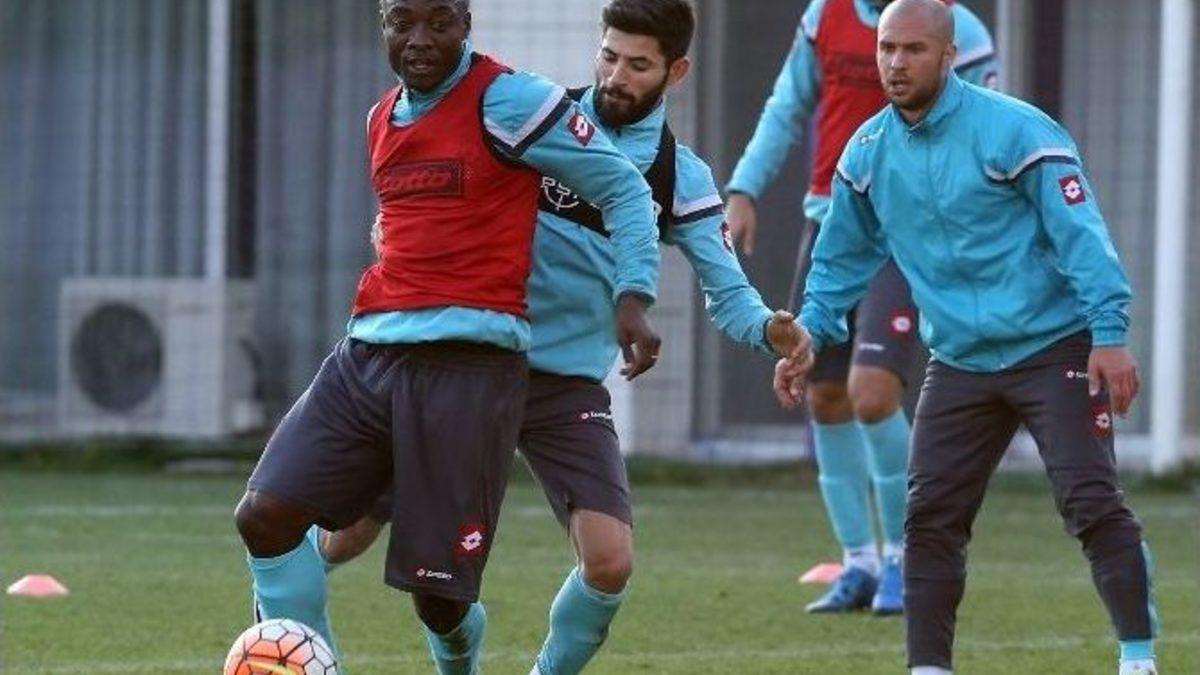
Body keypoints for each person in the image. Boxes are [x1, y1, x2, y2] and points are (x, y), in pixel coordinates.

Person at [316, 1, 809, 673]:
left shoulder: (678, 176)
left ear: (676, 72)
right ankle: (292, 612)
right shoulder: (539, 120)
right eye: (609, 56)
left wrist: (770, 329)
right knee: (345, 536)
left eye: (638, 66)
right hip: (466, 361)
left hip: (561, 385)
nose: (615, 77)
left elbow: (728, 292)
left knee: (610, 561)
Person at [232, 0, 667, 671]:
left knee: (438, 600)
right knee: (264, 515)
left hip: (469, 370)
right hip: (367, 354)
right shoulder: (381, 117)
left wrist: (632, 294)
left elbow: (625, 189)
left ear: (466, 23)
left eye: (439, 22)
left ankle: (459, 655)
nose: (419, 39)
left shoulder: (513, 101)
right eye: (402, 21)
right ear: (382, 24)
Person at [774, 1, 1157, 673]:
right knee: (929, 520)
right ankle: (929, 667)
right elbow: (838, 263)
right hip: (958, 362)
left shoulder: (1017, 131)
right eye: (886, 48)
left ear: (950, 55)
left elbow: (1081, 235)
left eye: (913, 49)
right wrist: (811, 335)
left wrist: (1109, 332)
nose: (896, 63)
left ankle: (1137, 656)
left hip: (1054, 346)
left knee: (1091, 502)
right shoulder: (867, 153)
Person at [726, 0, 999, 616]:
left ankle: (907, 556)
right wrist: (744, 186)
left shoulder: (960, 30)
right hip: (830, 223)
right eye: (888, 49)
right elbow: (786, 105)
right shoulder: (824, 16)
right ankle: (859, 563)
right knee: (824, 395)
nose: (897, 60)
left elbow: (985, 131)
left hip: (907, 231)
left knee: (873, 393)